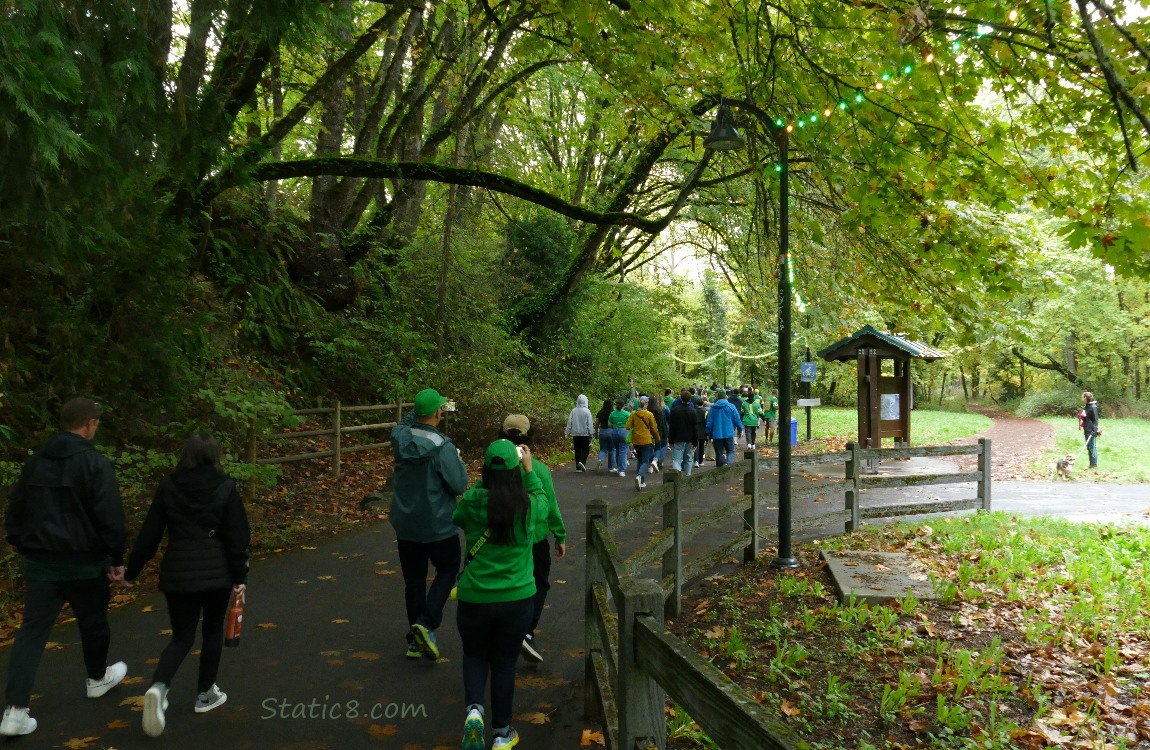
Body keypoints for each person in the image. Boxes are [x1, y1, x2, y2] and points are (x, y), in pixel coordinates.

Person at [2, 397, 128, 737]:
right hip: (85, 565)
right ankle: (97, 677)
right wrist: (116, 560)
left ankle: (15, 710)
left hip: (42, 565)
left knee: (31, 632)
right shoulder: (96, 465)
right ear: (89, 424)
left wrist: (26, 546)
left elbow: (15, 514)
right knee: (94, 623)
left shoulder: (35, 464)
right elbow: (110, 517)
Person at [124, 432, 251, 737]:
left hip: (178, 571)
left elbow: (150, 534)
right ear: (215, 455)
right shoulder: (225, 486)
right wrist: (239, 578)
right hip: (216, 572)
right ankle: (205, 693)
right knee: (211, 630)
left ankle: (158, 686)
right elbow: (238, 536)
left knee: (181, 637)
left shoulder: (168, 487)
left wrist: (131, 572)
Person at [454, 439, 549, 750]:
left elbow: (458, 518)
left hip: (474, 598)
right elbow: (542, 500)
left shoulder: (471, 501)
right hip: (517, 598)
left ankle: (474, 711)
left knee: (474, 655)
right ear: (515, 472)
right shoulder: (529, 507)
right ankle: (501, 732)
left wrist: (488, 478)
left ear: (484, 471)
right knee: (505, 663)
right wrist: (528, 468)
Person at [390, 388, 470, 661]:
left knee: (413, 581)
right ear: (439, 412)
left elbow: (403, 423)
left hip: (406, 526)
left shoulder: (400, 438)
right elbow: (459, 484)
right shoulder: (443, 447)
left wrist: (422, 408)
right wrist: (457, 460)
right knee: (448, 570)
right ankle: (426, 623)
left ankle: (417, 641)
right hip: (438, 525)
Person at [497, 416, 566, 664]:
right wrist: (560, 534)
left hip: (501, 535)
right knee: (538, 584)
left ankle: (505, 629)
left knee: (508, 581)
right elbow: (549, 505)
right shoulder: (538, 469)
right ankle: (526, 629)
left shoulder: (493, 466)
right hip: (534, 538)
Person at [625, 396, 660, 491]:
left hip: (636, 440)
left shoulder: (633, 414)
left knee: (640, 460)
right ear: (647, 404)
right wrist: (657, 438)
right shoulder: (649, 414)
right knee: (645, 460)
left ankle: (642, 481)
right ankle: (640, 476)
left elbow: (627, 427)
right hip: (646, 440)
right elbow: (654, 429)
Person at [705, 390, 743, 467]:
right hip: (728, 433)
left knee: (719, 452)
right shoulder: (731, 406)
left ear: (718, 398)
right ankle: (728, 464)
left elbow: (710, 422)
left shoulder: (713, 408)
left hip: (717, 434)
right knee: (730, 451)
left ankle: (719, 470)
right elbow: (737, 419)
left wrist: (707, 432)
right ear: (726, 397)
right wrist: (740, 429)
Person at [668, 389, 699, 476]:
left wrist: (670, 440)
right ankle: (687, 477)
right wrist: (695, 442)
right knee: (688, 459)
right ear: (690, 399)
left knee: (676, 460)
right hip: (689, 439)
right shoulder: (693, 411)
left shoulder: (674, 411)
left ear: (681, 398)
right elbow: (695, 428)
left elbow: (671, 427)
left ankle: (677, 477)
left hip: (677, 438)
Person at [563, 395, 594, 472]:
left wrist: (566, 433)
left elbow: (569, 423)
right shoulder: (587, 411)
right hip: (585, 434)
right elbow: (589, 424)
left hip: (575, 434)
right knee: (585, 449)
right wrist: (591, 433)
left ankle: (578, 467)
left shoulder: (574, 411)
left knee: (577, 449)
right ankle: (582, 462)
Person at [607, 399, 631, 476]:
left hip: (614, 432)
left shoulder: (612, 414)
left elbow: (609, 425)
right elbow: (631, 423)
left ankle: (618, 467)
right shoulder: (627, 414)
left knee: (617, 450)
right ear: (624, 405)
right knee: (623, 451)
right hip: (624, 432)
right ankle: (622, 470)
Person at [1081, 391, 1102, 469]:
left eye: (1082, 397)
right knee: (1089, 447)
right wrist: (1083, 416)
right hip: (1087, 429)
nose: (1081, 398)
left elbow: (1095, 420)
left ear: (1085, 398)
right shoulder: (1087, 406)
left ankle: (1094, 464)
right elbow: (1086, 417)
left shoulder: (1093, 407)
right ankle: (1091, 464)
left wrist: (1094, 431)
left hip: (1091, 431)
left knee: (1092, 447)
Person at [594, 399, 615, 472]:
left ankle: (600, 460)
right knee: (612, 449)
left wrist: (596, 432)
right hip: (611, 431)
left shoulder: (600, 412)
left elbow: (596, 423)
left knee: (603, 449)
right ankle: (611, 468)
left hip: (602, 431)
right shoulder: (613, 412)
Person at [693, 396, 709, 468]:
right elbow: (707, 422)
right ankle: (700, 461)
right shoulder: (705, 411)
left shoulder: (693, 410)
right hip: (703, 430)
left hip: (695, 430)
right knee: (702, 446)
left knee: (695, 446)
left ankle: (695, 460)